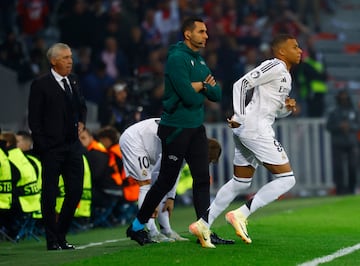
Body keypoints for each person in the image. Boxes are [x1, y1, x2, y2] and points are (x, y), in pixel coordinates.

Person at [189, 34, 301, 248]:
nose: (300, 50)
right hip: (255, 128)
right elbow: (241, 84)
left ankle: (204, 223)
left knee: (241, 181)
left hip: (252, 128)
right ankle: (240, 214)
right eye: (294, 46)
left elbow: (275, 112)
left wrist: (287, 108)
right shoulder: (274, 65)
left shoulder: (286, 75)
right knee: (287, 179)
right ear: (281, 51)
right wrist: (239, 116)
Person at [126, 17, 222, 246]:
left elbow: (217, 94)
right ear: (188, 34)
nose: (206, 35)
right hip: (176, 127)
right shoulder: (177, 58)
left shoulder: (198, 61)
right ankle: (137, 226)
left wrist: (200, 86)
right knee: (165, 181)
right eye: (201, 31)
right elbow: (188, 97)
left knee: (202, 179)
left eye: (206, 31)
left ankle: (204, 229)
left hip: (195, 127)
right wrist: (202, 86)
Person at [28, 42, 87, 250]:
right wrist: (44, 146)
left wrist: (82, 123)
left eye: (71, 57)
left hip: (72, 147)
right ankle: (52, 240)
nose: (70, 61)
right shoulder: (41, 84)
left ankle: (61, 234)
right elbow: (34, 119)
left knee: (75, 191)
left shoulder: (74, 81)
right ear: (53, 61)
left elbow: (82, 107)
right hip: (52, 149)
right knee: (50, 194)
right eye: (65, 58)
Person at [326, 89, 359, 195]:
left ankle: (352, 189)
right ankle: (340, 189)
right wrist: (339, 127)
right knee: (338, 168)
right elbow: (328, 126)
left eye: (345, 96)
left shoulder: (354, 111)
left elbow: (358, 125)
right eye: (342, 96)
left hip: (351, 142)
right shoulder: (334, 111)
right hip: (338, 142)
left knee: (353, 167)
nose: (344, 98)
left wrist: (350, 126)